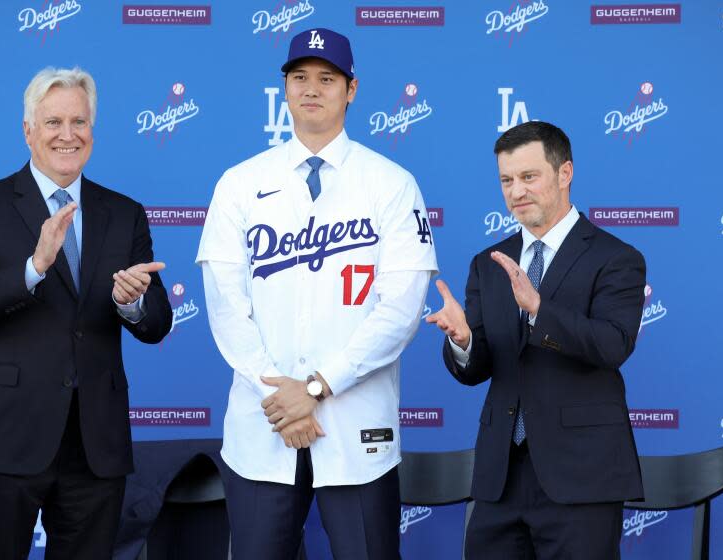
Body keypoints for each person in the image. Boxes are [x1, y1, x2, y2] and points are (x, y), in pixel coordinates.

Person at [196, 27, 438, 559]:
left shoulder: (392, 184)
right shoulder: (238, 183)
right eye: (299, 77)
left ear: (351, 89)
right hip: (265, 427)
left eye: (326, 78)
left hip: (358, 426)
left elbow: (400, 309)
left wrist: (318, 387)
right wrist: (281, 399)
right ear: (284, 89)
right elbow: (226, 306)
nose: (311, 89)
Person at [0, 66, 172, 560]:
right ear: (28, 131)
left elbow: (157, 324)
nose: (67, 135)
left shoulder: (124, 212)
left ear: (93, 129)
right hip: (2, 440)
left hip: (94, 447)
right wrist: (33, 267)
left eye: (79, 122)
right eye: (53, 123)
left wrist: (132, 302)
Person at [427, 121, 645, 559]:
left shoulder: (616, 258)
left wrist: (540, 309)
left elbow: (612, 344)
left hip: (581, 477)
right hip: (500, 478)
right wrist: (464, 340)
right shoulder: (489, 263)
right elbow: (478, 368)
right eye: (506, 180)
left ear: (564, 173)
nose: (516, 191)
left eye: (529, 177)